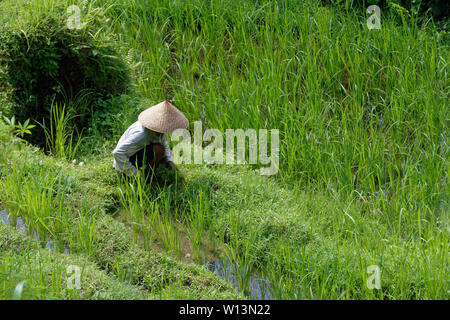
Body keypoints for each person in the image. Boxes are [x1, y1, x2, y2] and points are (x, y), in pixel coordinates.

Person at [112, 100, 189, 179]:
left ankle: (151, 173)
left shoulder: (158, 130)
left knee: (166, 152)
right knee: (159, 149)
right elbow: (117, 153)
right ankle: (147, 177)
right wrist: (136, 174)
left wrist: (169, 161)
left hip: (139, 153)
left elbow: (164, 143)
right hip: (125, 162)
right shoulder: (141, 134)